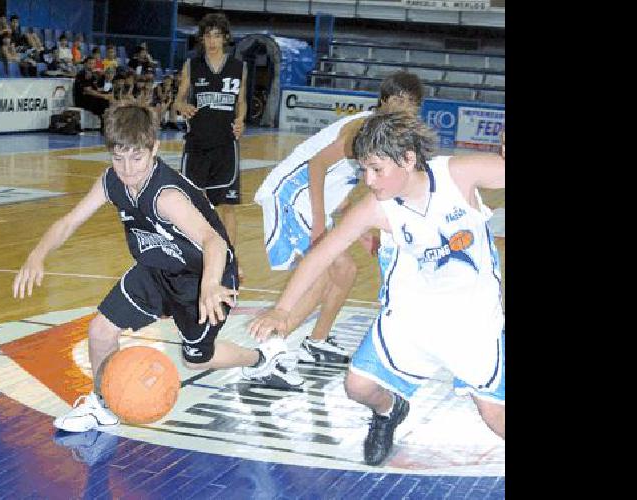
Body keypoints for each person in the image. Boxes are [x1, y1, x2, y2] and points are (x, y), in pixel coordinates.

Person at [13, 102, 303, 433]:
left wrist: (210, 284)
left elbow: (214, 241)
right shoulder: (112, 182)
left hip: (203, 276)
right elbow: (68, 222)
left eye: (136, 158)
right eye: (118, 158)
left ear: (154, 148)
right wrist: (38, 254)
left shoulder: (166, 195)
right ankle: (102, 403)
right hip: (155, 269)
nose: (127, 168)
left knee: (198, 359)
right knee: (100, 330)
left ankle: (263, 360)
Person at [249, 112, 506, 466]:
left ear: (408, 159)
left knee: (496, 418)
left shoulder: (458, 174)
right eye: (363, 170)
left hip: (472, 317)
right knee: (358, 387)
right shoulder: (375, 207)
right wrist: (282, 310)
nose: (368, 180)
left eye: (376, 169)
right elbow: (321, 255)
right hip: (411, 313)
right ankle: (389, 412)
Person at [252, 71, 426, 364]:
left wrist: (360, 233)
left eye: (412, 103)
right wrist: (320, 224)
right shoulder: (362, 128)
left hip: (310, 202)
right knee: (319, 278)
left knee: (345, 271)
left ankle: (316, 342)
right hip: (291, 197)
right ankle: (267, 356)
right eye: (399, 99)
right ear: (383, 101)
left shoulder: (379, 136)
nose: (404, 108)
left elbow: (340, 190)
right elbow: (317, 164)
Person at [174, 12, 247, 279]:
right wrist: (181, 106)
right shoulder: (192, 65)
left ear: (225, 38)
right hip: (197, 145)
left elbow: (241, 101)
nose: (212, 40)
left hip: (226, 145)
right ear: (202, 39)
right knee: (192, 204)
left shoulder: (239, 66)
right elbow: (178, 99)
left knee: (227, 206)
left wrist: (241, 120)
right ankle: (192, 256)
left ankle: (228, 258)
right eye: (208, 35)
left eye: (217, 35)